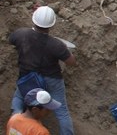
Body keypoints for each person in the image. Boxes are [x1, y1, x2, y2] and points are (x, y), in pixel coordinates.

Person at [9, 7, 76, 135]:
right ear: (52, 24)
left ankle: (15, 126)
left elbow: (11, 40)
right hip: (52, 79)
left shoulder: (21, 34)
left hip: (27, 76)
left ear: (34, 20)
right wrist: (65, 51)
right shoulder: (56, 44)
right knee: (62, 112)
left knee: (18, 98)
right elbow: (71, 62)